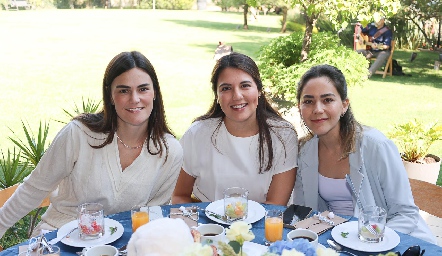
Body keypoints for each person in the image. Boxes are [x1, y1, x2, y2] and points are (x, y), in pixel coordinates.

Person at [0, 51, 183, 238]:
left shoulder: (169, 151)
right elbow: (34, 188)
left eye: (143, 89)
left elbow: (152, 216)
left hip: (120, 245)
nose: (134, 99)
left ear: (154, 93)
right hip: (59, 238)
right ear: (110, 96)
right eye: (123, 90)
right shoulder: (78, 134)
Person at [292, 64, 437, 244]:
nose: (317, 109)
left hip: (397, 242)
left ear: (344, 105)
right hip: (337, 241)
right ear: (300, 107)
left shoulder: (376, 146)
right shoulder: (305, 152)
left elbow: (405, 214)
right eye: (308, 101)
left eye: (327, 100)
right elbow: (304, 211)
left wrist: (366, 243)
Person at [172, 52, 297, 206]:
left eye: (245, 85)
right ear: (217, 96)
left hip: (263, 226)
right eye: (226, 88)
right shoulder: (197, 134)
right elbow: (179, 196)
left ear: (259, 90)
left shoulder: (283, 135)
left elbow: (275, 207)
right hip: (209, 227)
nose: (237, 96)